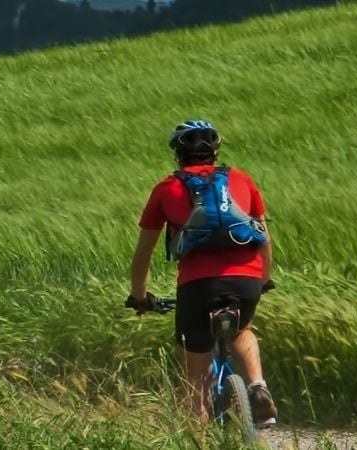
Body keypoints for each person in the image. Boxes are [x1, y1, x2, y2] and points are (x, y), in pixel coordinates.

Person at [126, 120, 278, 426]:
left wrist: (140, 297)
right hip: (246, 279)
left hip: (198, 286)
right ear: (215, 152)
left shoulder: (166, 189)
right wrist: (262, 281)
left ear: (178, 154)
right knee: (242, 329)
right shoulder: (241, 179)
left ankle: (199, 428)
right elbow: (265, 237)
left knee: (195, 381)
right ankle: (258, 386)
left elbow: (143, 254)